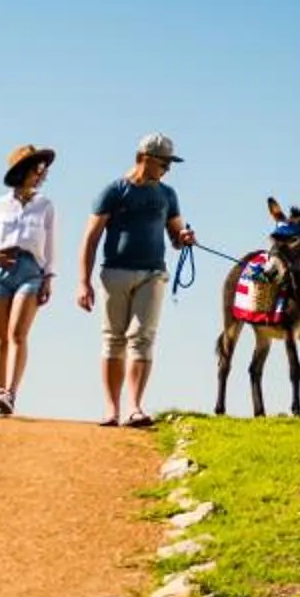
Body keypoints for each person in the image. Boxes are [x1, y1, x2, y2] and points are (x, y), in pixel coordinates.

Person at [77, 131, 197, 428]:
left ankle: (135, 407)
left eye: (169, 164)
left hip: (152, 273)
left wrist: (184, 238)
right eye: (163, 162)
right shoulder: (114, 191)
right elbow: (90, 239)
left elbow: (176, 236)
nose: (167, 169)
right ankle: (111, 409)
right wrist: (83, 282)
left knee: (142, 338)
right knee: (113, 340)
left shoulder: (168, 195)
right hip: (114, 273)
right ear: (143, 158)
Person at [0, 145, 58, 417]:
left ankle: (10, 394)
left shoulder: (45, 205)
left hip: (31, 271)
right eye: (36, 168)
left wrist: (49, 277)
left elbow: (51, 244)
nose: (40, 173)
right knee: (0, 338)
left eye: (41, 169)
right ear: (23, 170)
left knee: (18, 334)